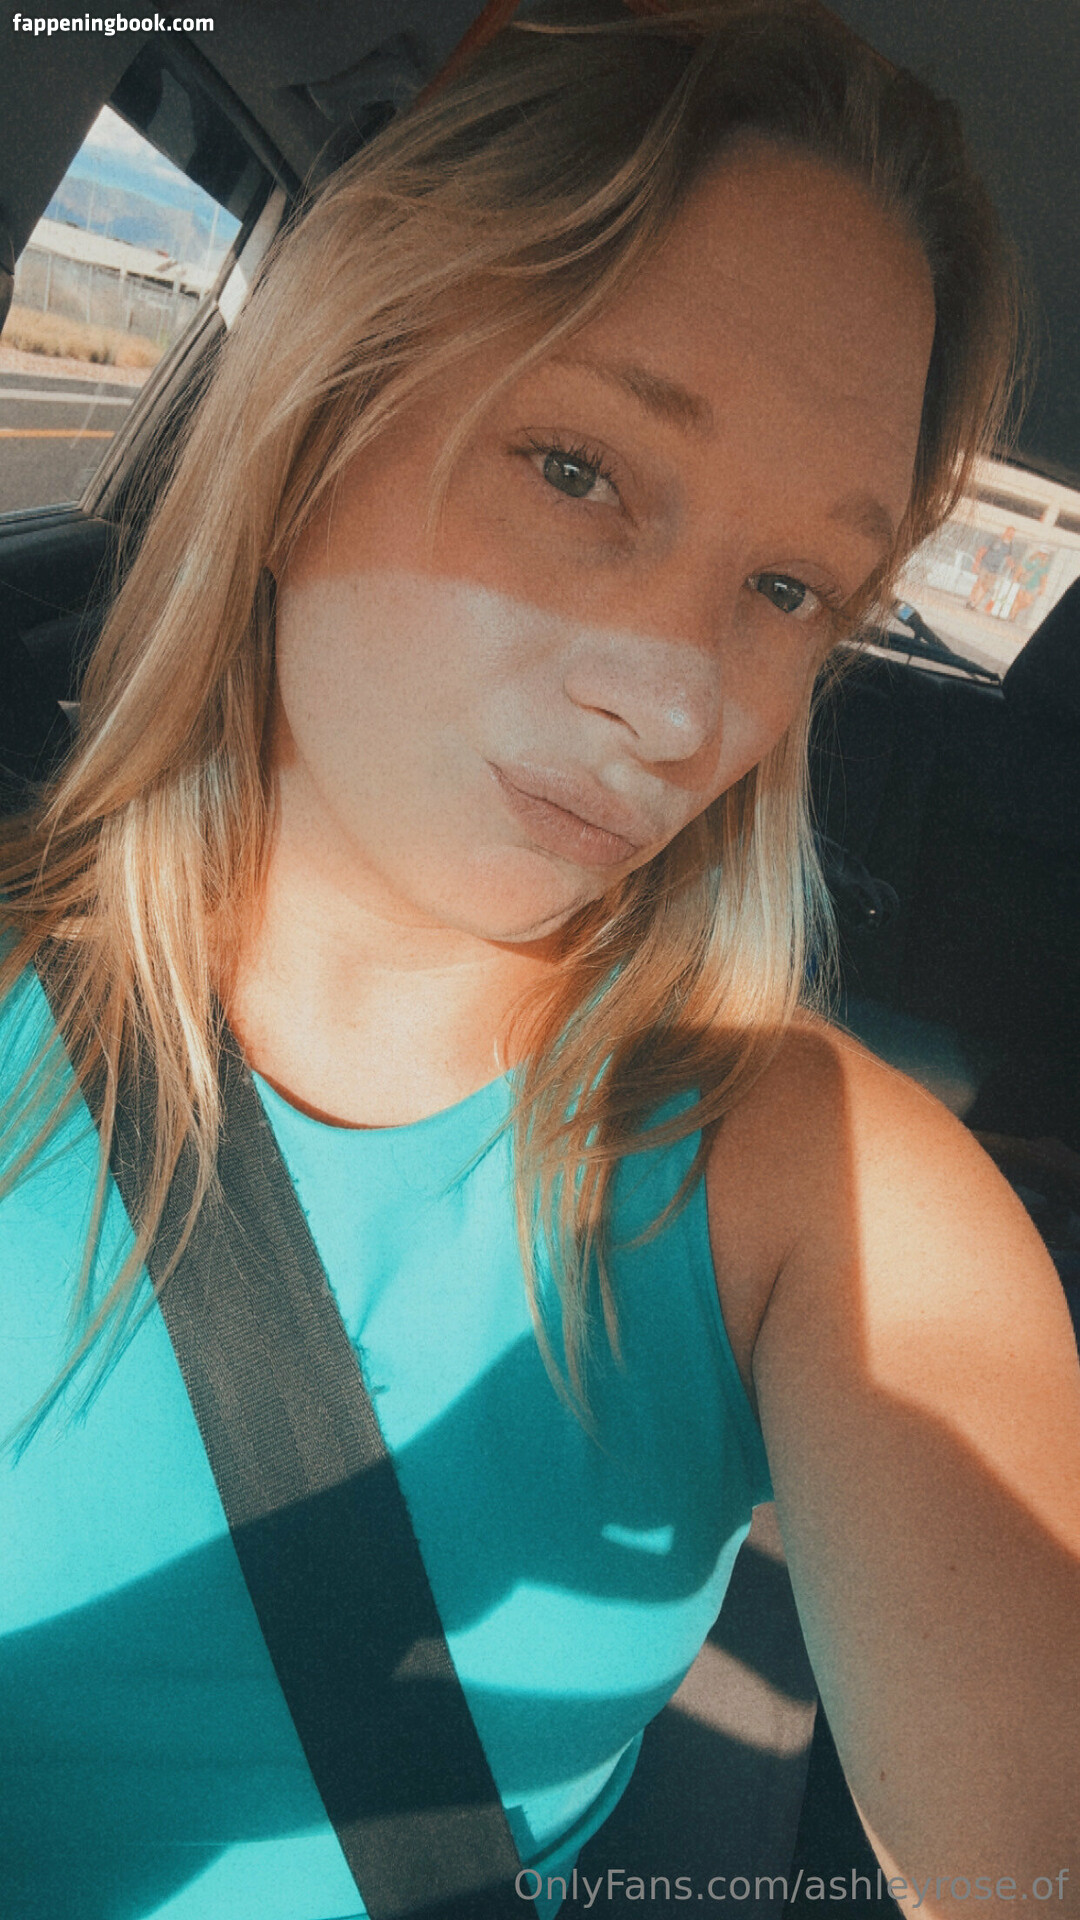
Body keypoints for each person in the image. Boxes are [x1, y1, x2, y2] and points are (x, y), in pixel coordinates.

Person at [1, 3, 1078, 1916]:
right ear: (316, 419)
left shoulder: (822, 1191)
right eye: (579, 468)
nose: (678, 705)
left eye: (787, 589)